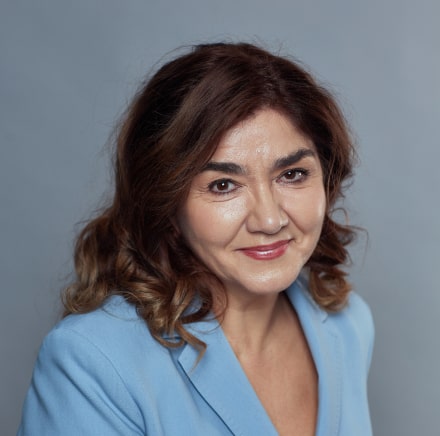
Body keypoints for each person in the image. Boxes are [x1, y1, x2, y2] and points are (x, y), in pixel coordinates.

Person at [18, 42, 374, 436]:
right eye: (223, 185)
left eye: (292, 175)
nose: (270, 219)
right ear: (166, 204)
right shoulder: (93, 362)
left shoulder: (348, 325)